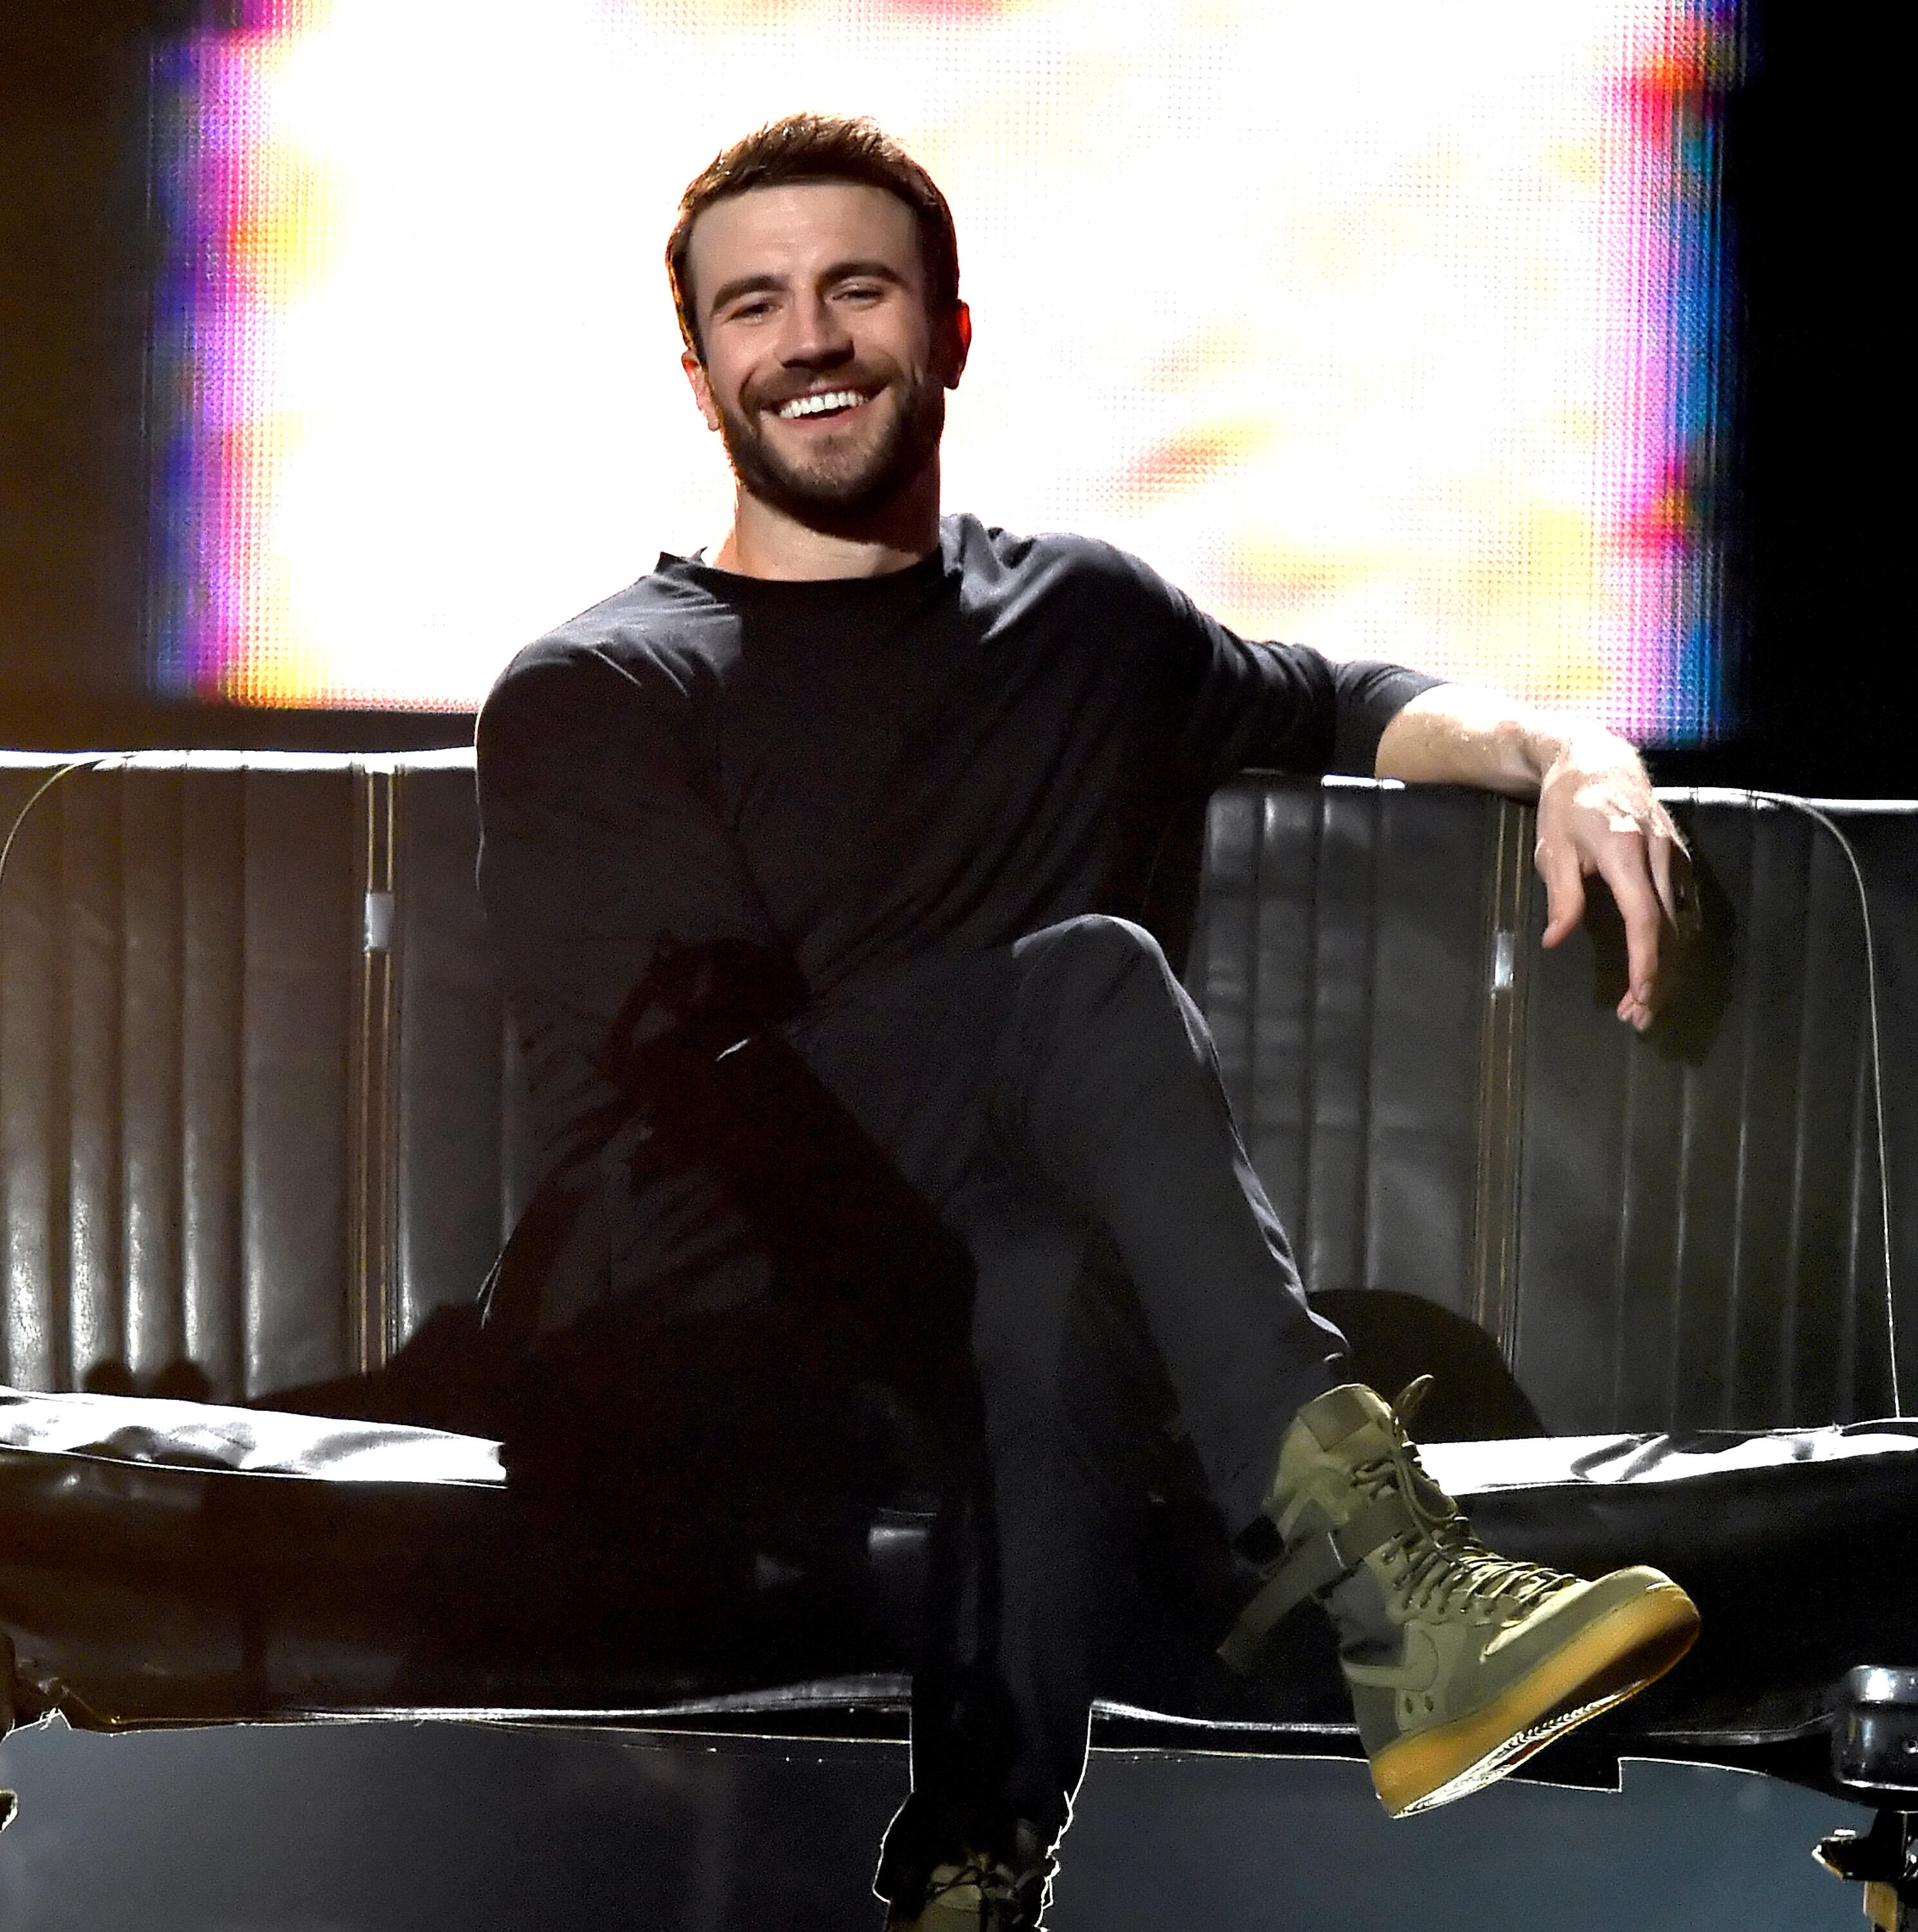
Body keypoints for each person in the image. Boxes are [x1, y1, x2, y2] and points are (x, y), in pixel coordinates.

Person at [474, 113, 1699, 1931]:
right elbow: (710, 1107)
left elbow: (1347, 698)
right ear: (702, 368)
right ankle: (1391, 1577)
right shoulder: (600, 687)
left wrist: (1572, 750)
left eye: (855, 289)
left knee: (1040, 1264)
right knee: (1088, 1000)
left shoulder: (1085, 621)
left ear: (947, 332)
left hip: (1000, 1320)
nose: (806, 338)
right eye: (755, 306)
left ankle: (972, 1868)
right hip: (693, 1309)